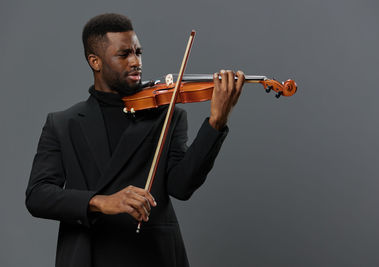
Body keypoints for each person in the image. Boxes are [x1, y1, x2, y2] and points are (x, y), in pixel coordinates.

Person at [26, 13, 244, 267]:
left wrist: (216, 123)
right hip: (90, 255)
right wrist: (101, 201)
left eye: (138, 52)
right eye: (124, 54)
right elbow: (38, 196)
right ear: (95, 61)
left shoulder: (167, 115)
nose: (135, 61)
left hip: (152, 254)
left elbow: (181, 186)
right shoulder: (63, 123)